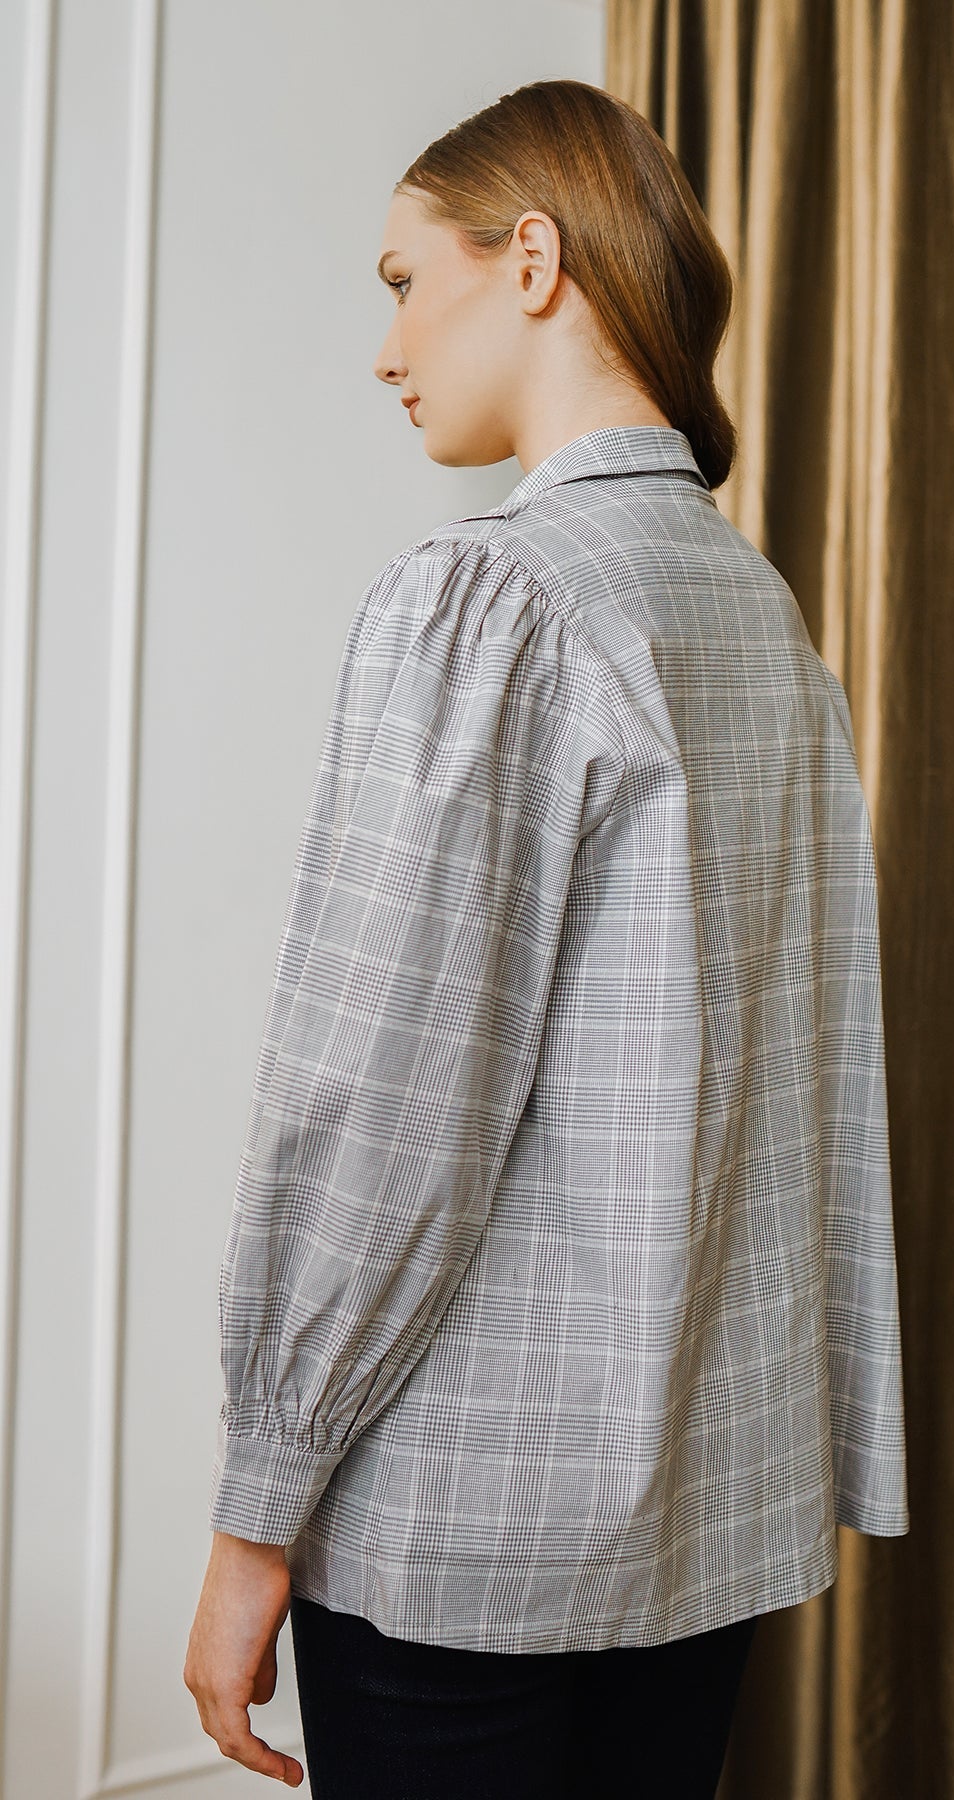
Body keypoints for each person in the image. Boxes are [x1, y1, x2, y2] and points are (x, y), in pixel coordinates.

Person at [183, 76, 909, 1798]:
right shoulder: (757, 615)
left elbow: (379, 1098)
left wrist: (257, 1506)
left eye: (400, 282)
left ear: (530, 260)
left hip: (468, 1533)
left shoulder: (490, 597)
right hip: (705, 1524)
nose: (386, 350)